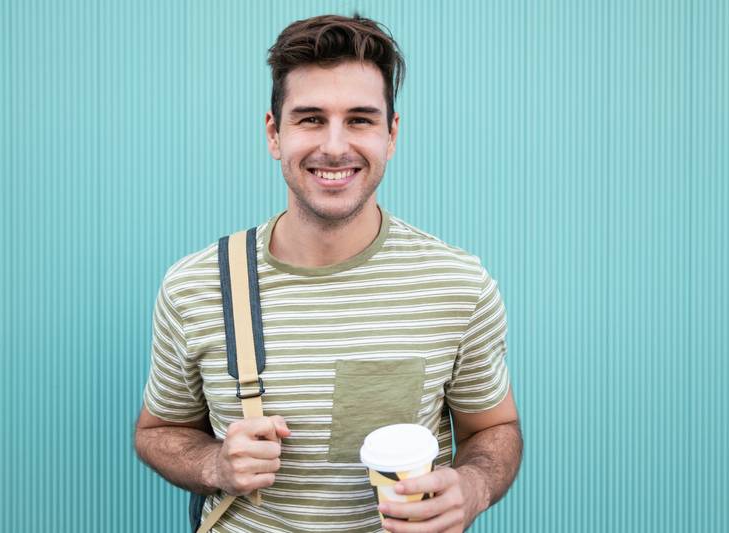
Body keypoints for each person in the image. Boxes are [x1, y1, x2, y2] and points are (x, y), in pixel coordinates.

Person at [133, 13, 522, 533]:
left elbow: (495, 428)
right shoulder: (195, 286)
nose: (335, 146)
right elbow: (158, 431)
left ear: (392, 133)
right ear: (275, 134)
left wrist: (472, 489)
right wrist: (213, 464)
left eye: (360, 119)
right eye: (311, 118)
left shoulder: (458, 284)